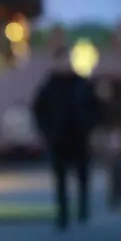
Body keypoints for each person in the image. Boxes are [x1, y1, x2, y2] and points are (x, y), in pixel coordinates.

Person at [31, 47, 103, 229]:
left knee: (82, 177)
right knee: (61, 180)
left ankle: (83, 212)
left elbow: (96, 108)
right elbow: (39, 110)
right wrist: (46, 131)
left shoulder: (81, 84)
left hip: (79, 137)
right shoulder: (49, 85)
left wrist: (89, 126)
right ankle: (62, 215)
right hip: (58, 138)